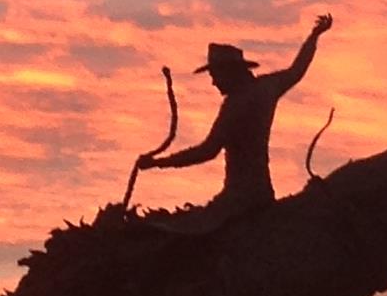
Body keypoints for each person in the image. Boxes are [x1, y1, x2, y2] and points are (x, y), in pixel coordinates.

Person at [135, 14, 332, 233]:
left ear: (231, 71)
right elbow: (297, 70)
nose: (213, 81)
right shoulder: (267, 87)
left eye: (216, 74)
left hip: (238, 199)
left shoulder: (236, 105)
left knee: (181, 234)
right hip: (261, 192)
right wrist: (314, 37)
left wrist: (158, 163)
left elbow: (207, 151)